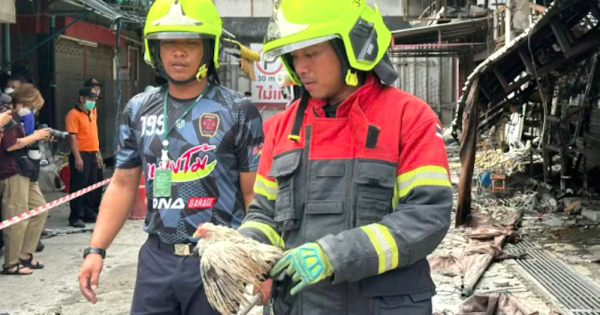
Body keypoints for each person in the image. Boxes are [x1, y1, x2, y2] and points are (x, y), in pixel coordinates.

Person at [237, 1, 453, 314]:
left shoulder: (409, 118)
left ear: (353, 46)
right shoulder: (282, 129)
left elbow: (426, 218)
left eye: (311, 53)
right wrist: (246, 249)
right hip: (301, 305)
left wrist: (334, 255)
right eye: (294, 56)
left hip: (385, 307)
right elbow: (265, 214)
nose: (301, 67)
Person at [77, 1, 264, 314]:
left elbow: (253, 193)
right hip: (156, 259)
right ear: (155, 49)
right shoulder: (137, 109)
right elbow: (123, 184)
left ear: (207, 48)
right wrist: (96, 249)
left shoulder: (237, 111)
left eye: (190, 43)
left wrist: (257, 262)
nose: (179, 52)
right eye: (169, 43)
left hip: (218, 261)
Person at [0, 84, 51, 275]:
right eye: (32, 106)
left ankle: (25, 254)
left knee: (39, 210)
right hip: (11, 172)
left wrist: (36, 137)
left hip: (23, 170)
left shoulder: (16, 118)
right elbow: (11, 145)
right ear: (23, 101)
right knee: (16, 218)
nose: (32, 111)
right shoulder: (7, 117)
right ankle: (11, 263)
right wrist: (35, 136)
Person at [65, 87, 101, 228]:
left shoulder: (92, 112)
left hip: (92, 153)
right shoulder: (72, 115)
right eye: (91, 99)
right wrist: (77, 157)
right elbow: (72, 138)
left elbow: (94, 133)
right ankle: (76, 216)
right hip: (80, 154)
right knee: (78, 186)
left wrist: (98, 153)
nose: (93, 102)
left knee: (92, 186)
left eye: (95, 99)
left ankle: (89, 213)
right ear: (82, 98)